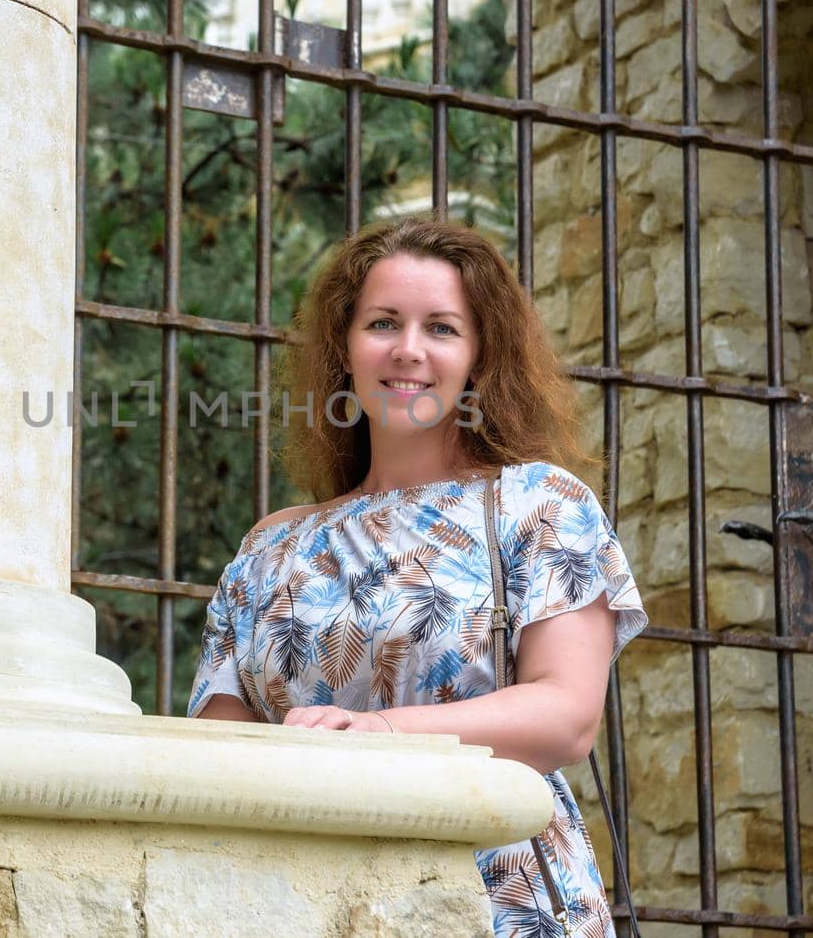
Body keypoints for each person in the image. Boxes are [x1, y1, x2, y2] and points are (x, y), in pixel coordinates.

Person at [188, 216, 647, 938]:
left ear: (479, 357)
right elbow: (217, 756)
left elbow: (567, 716)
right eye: (382, 323)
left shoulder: (539, 504)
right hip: (299, 905)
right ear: (344, 346)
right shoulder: (270, 548)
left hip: (497, 900)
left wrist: (377, 730)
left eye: (441, 328)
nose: (408, 350)